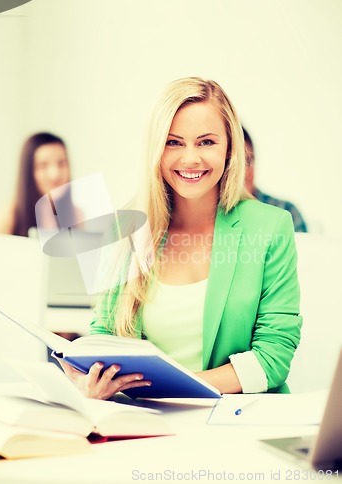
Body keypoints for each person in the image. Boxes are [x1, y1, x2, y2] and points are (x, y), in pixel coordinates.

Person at [60, 77, 302, 399]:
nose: (190, 158)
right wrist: (90, 379)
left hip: (240, 421)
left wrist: (178, 388)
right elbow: (104, 334)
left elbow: (273, 357)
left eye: (206, 142)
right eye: (174, 142)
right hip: (148, 420)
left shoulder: (271, 227)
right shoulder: (124, 229)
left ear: (230, 148)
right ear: (156, 150)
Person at [0, 132, 80, 236]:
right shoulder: (12, 214)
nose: (55, 174)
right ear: (29, 171)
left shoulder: (76, 215)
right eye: (43, 165)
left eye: (61, 163)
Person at [243, 127, 308, 233]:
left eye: (247, 161)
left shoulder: (285, 211)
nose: (241, 173)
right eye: (232, 164)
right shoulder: (211, 215)